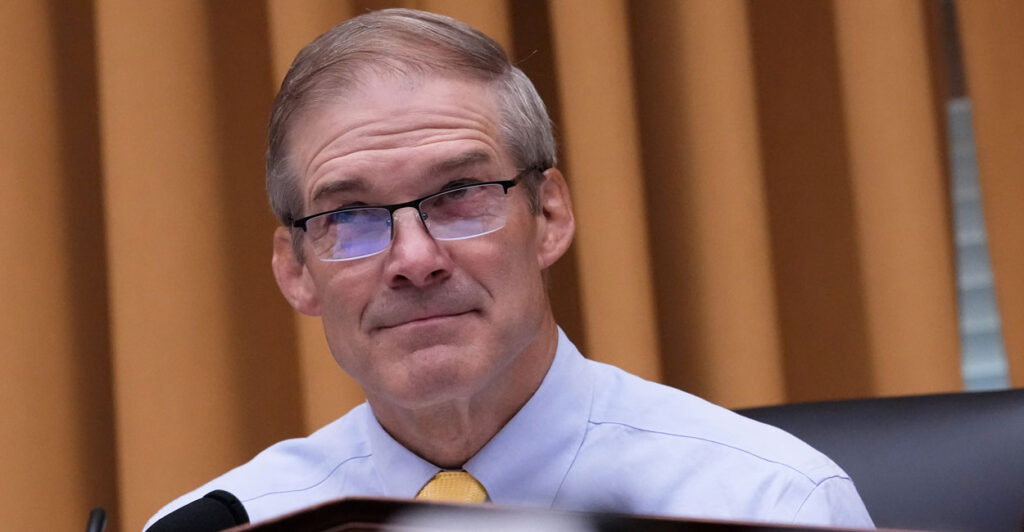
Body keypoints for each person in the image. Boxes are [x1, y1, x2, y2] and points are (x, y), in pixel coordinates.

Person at [146, 8, 873, 529]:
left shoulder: (771, 504)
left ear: (549, 215)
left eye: (460, 196)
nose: (415, 259)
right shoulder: (227, 525)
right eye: (352, 216)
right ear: (297, 271)